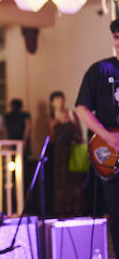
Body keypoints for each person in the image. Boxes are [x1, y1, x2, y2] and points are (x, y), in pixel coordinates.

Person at [75, 18, 119, 257]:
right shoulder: (100, 70)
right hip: (110, 152)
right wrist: (108, 137)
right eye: (115, 37)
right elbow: (82, 108)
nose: (118, 43)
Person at [48, 91, 85, 216]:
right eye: (56, 99)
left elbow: (79, 132)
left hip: (74, 150)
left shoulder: (71, 114)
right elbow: (51, 138)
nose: (60, 101)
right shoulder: (51, 118)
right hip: (59, 153)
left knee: (76, 182)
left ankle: (77, 210)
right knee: (61, 182)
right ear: (52, 102)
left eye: (61, 98)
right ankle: (62, 210)